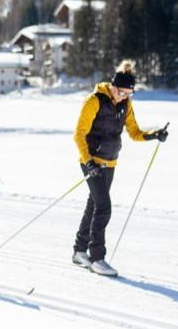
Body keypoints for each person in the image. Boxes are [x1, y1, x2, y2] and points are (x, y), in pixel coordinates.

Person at [72, 59, 168, 277]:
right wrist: (89, 162)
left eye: (129, 94)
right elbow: (79, 134)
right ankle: (97, 258)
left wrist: (154, 135)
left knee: (94, 204)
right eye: (122, 92)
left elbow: (134, 132)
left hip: (110, 162)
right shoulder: (94, 101)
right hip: (91, 161)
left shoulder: (126, 105)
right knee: (103, 207)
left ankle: (79, 250)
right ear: (113, 87)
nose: (124, 97)